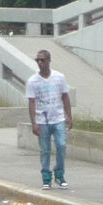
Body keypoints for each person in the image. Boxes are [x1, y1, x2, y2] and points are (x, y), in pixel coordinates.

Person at [25, 48, 73, 189]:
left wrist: (69, 115)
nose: (40, 63)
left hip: (58, 118)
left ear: (49, 61)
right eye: (37, 60)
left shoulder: (59, 77)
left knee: (61, 145)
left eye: (42, 60)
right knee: (45, 150)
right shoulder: (33, 81)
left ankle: (59, 174)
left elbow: (65, 96)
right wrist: (34, 122)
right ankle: (46, 177)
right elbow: (31, 102)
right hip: (42, 120)